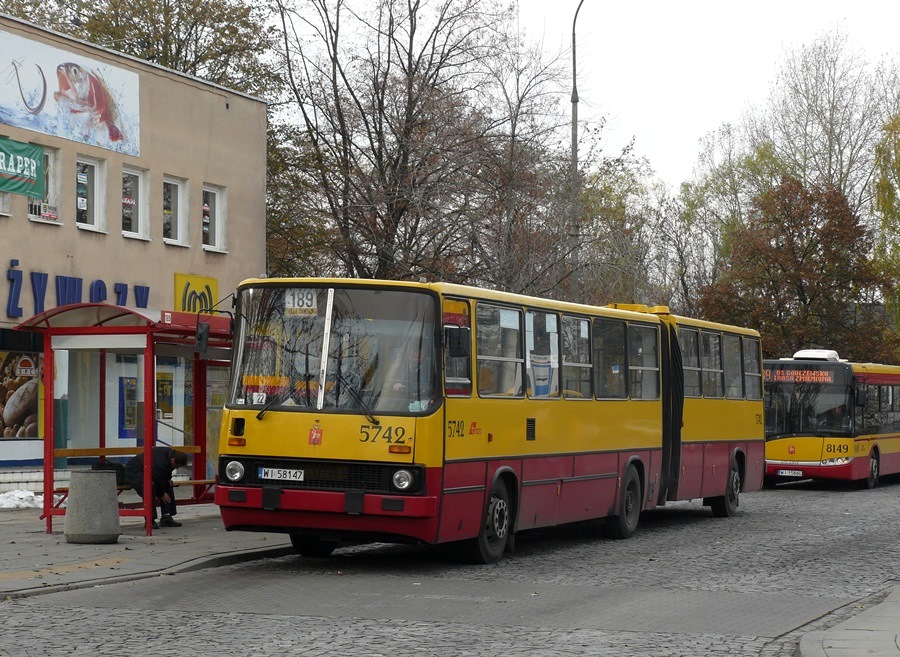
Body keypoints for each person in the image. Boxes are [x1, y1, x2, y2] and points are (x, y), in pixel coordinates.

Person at [125, 446, 189, 529]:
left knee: (168, 483)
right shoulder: (161, 463)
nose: (175, 468)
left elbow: (167, 471)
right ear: (172, 460)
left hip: (149, 471)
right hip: (134, 471)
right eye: (176, 466)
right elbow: (158, 478)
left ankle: (167, 516)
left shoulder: (170, 455)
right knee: (149, 487)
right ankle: (150, 520)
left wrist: (169, 478)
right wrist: (161, 494)